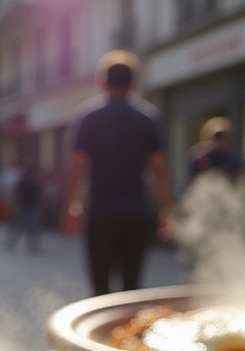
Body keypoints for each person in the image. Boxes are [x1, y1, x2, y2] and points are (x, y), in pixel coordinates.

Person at [62, 50, 174, 296]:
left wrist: (71, 207)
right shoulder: (148, 118)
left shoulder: (89, 118)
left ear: (101, 82)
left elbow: (76, 167)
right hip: (137, 213)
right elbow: (160, 170)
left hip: (100, 213)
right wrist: (167, 210)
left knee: (100, 288)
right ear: (134, 84)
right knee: (131, 288)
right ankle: (128, 332)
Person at [186, 116, 243, 183]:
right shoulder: (200, 157)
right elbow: (190, 181)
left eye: (224, 137)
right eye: (217, 137)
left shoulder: (233, 158)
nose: (221, 141)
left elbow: (239, 178)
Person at [6, 165, 42, 252]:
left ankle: (32, 244)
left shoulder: (35, 183)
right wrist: (14, 205)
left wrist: (39, 205)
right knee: (20, 225)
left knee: (33, 226)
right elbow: (16, 194)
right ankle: (12, 241)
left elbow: (39, 195)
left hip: (32, 206)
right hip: (23, 206)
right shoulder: (22, 183)